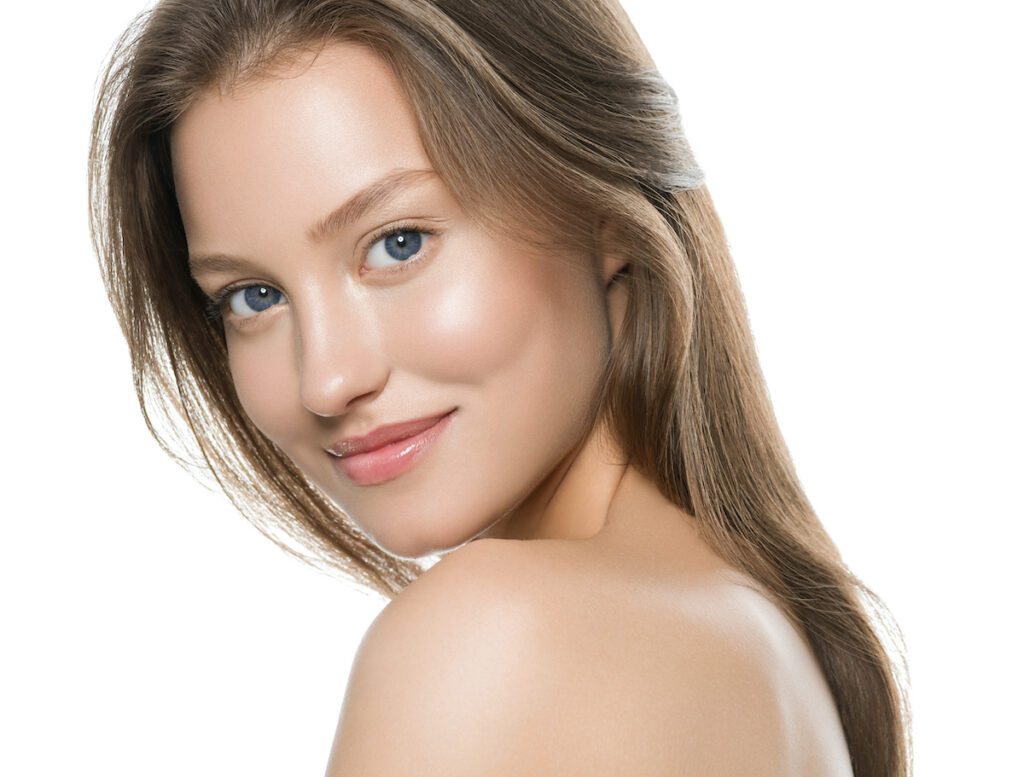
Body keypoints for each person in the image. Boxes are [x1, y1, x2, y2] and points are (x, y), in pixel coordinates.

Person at [89, 0, 911, 774]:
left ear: (603, 213)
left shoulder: (488, 638)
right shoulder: (764, 636)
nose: (328, 379)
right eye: (253, 297)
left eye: (398, 243)